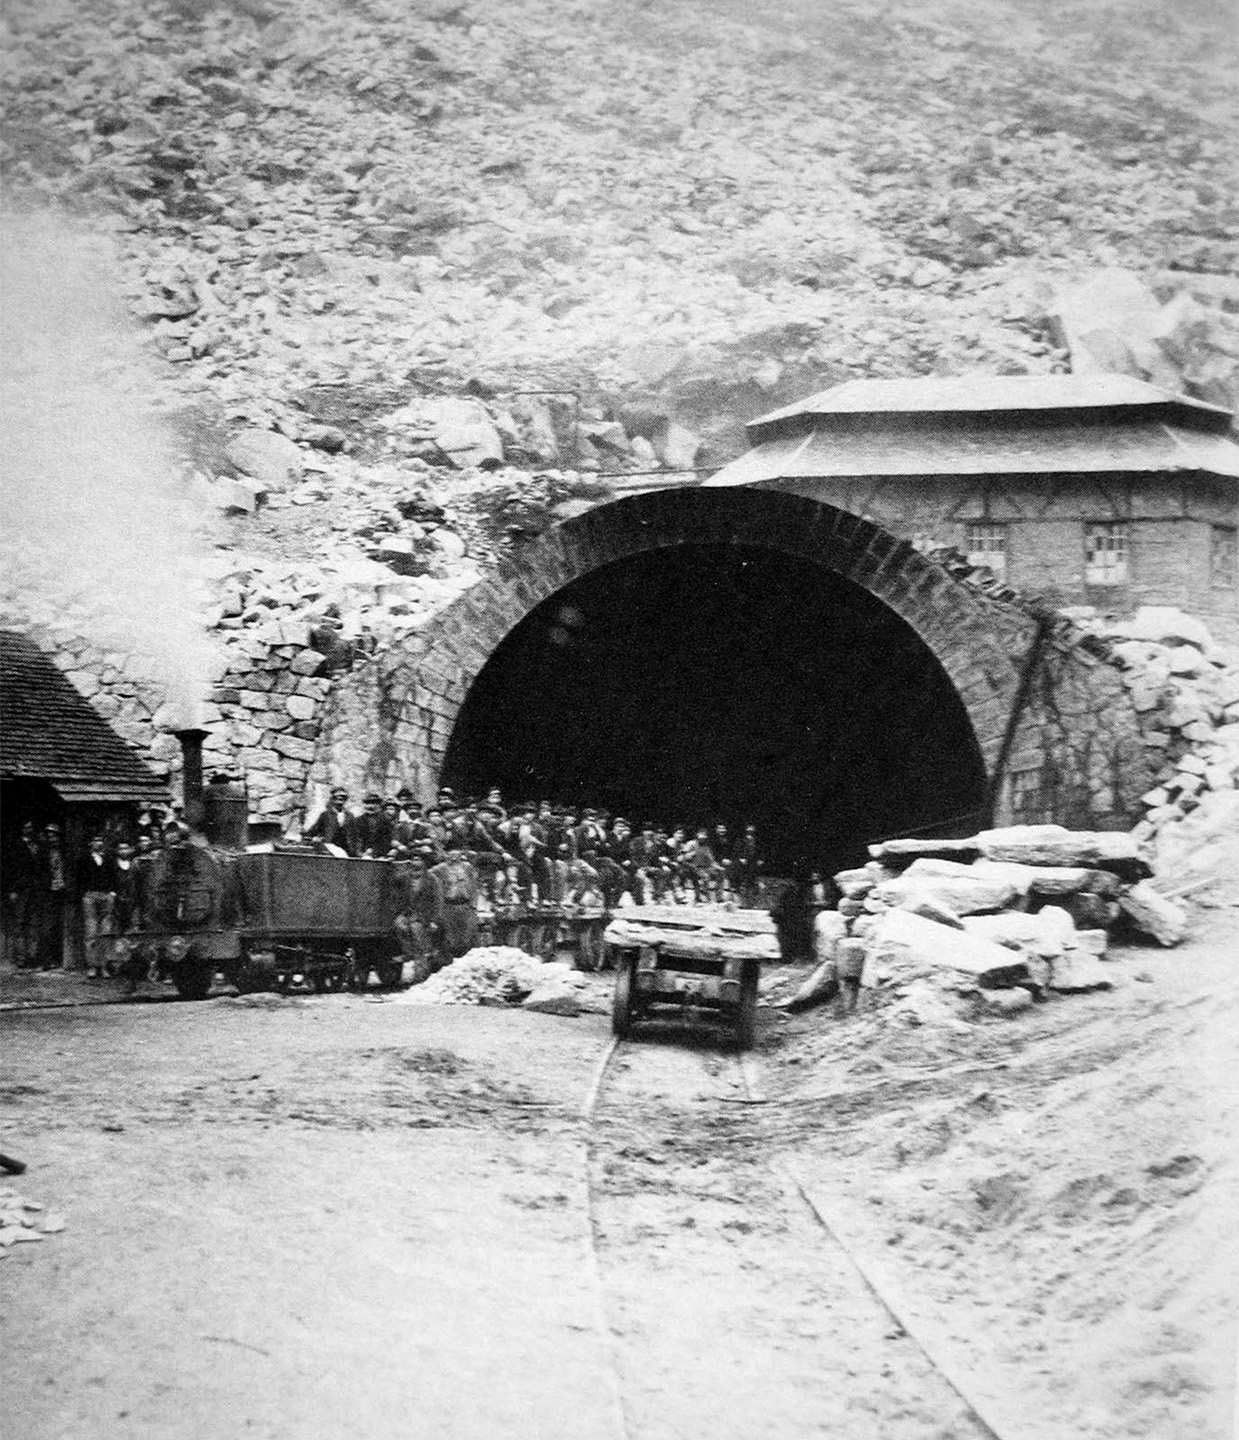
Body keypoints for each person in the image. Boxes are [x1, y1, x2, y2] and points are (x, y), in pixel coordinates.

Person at [394, 854, 444, 983]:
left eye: (418, 859)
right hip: (408, 913)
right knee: (399, 924)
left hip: (424, 916)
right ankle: (408, 952)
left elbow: (438, 901)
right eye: (413, 859)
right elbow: (395, 879)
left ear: (423, 862)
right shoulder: (406, 877)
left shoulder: (431, 879)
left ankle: (420, 977)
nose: (415, 862)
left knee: (419, 941)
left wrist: (434, 920)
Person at [77, 834, 118, 978]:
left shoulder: (108, 859)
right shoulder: (84, 859)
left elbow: (114, 876)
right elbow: (79, 877)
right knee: (91, 931)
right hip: (90, 896)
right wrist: (84, 893)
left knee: (106, 931)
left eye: (100, 840)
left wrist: (112, 893)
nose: (98, 843)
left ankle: (104, 965)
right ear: (90, 843)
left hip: (106, 896)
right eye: (95, 840)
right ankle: (92, 966)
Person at [6, 822, 43, 968]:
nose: (30, 830)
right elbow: (10, 869)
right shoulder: (15, 846)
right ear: (22, 829)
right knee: (19, 923)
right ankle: (21, 958)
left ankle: (31, 957)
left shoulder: (38, 846)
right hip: (20, 889)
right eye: (27, 827)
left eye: (32, 828)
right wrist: (12, 890)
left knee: (33, 923)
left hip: (35, 890)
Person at [431, 850, 479, 960]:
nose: (453, 857)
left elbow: (474, 884)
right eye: (450, 854)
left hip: (465, 905)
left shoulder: (467, 867)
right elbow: (429, 873)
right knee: (451, 938)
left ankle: (465, 960)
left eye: (456, 855)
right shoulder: (442, 867)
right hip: (449, 905)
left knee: (466, 937)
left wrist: (474, 905)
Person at [34, 824, 69, 970]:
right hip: (48, 893)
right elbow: (38, 874)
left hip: (63, 892)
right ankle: (44, 961)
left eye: (55, 836)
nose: (52, 839)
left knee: (60, 927)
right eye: (50, 837)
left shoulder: (65, 852)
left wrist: (66, 883)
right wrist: (49, 884)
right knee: (47, 927)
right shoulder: (42, 853)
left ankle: (57, 959)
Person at [304, 787, 357, 856]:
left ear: (345, 800)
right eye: (337, 798)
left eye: (343, 798)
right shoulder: (326, 815)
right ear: (333, 799)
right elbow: (314, 830)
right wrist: (309, 838)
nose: (340, 800)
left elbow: (355, 834)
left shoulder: (350, 816)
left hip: (347, 849)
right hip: (330, 848)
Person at [353, 794, 394, 859]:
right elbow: (357, 838)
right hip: (362, 854)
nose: (371, 806)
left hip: (380, 854)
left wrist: (375, 852)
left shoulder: (385, 821)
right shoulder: (358, 820)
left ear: (379, 805)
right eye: (368, 803)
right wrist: (360, 853)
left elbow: (387, 840)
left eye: (374, 803)